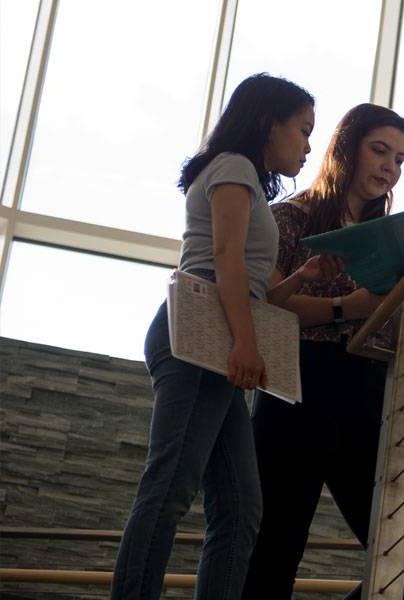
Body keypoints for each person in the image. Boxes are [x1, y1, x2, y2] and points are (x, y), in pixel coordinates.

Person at [112, 73, 338, 600]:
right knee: (169, 487)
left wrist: (301, 279)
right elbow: (225, 260)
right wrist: (245, 342)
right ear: (268, 123)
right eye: (303, 130)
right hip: (200, 333)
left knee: (240, 508)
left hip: (217, 331)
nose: (308, 146)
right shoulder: (234, 167)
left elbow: (254, 286)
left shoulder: (248, 181)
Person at [242, 103, 404, 600]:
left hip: (369, 392)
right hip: (296, 387)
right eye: (380, 150)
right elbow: (267, 309)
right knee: (274, 549)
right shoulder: (286, 218)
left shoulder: (397, 241)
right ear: (346, 148)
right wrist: (349, 306)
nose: (390, 166)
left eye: (400, 159)